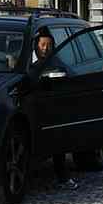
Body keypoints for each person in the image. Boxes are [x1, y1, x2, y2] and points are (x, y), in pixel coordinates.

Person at [32, 27, 78, 190]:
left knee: (58, 139)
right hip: (31, 107)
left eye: (49, 45)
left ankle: (62, 175)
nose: (45, 48)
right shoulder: (26, 62)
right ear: (36, 45)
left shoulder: (56, 62)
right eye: (43, 45)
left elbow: (69, 76)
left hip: (52, 108)